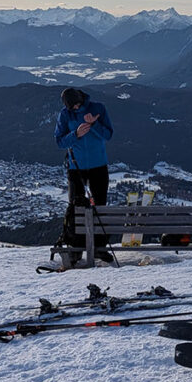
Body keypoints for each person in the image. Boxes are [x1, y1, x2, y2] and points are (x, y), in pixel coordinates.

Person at [54, 87, 114, 262]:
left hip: (98, 166)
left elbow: (108, 135)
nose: (76, 109)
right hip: (76, 167)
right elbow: (59, 141)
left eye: (78, 105)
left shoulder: (98, 108)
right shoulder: (65, 115)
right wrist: (76, 134)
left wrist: (94, 124)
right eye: (72, 107)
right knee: (76, 208)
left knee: (100, 206)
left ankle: (99, 247)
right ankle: (77, 248)